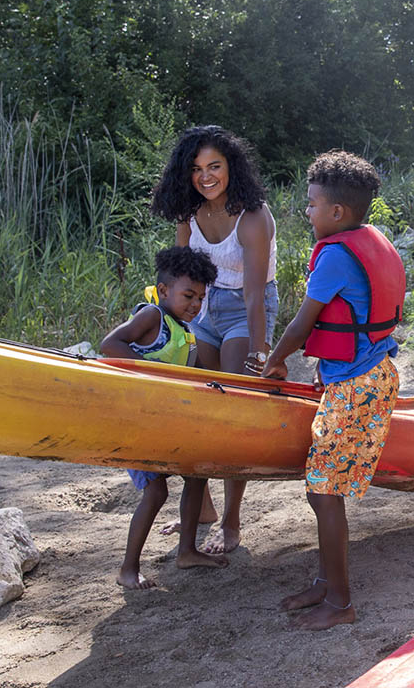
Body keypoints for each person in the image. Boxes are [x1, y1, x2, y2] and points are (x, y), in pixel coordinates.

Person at [262, 150, 404, 631]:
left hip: (358, 387)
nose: (307, 211)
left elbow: (303, 324)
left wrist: (275, 361)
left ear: (337, 212)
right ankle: (326, 583)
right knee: (322, 488)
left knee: (325, 492)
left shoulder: (337, 258)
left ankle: (341, 601)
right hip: (363, 378)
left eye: (311, 204)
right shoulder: (364, 241)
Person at [150, 125, 279, 553]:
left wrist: (260, 352)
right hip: (202, 308)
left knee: (231, 409)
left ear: (231, 167)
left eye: (215, 167)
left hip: (247, 309)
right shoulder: (189, 214)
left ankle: (231, 520)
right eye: (197, 169)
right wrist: (166, 328)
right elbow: (179, 276)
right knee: (197, 403)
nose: (206, 176)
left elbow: (254, 293)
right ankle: (200, 509)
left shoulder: (254, 215)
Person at [100, 246, 228, 589]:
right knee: (156, 494)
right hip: (137, 424)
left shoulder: (186, 334)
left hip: (166, 423)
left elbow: (200, 375)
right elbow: (110, 344)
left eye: (201, 297)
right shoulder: (152, 317)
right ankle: (128, 568)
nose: (195, 304)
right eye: (188, 295)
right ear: (163, 291)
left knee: (197, 476)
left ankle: (187, 551)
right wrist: (152, 376)